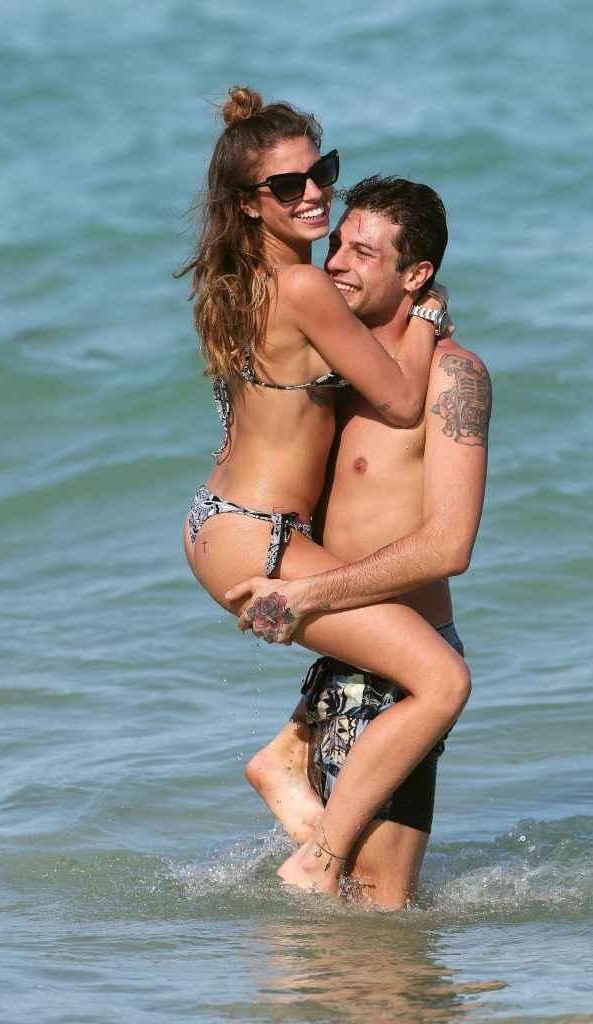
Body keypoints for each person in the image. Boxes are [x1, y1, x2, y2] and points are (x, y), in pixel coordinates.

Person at [179, 85, 471, 896]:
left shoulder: (245, 282)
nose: (313, 194)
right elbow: (402, 400)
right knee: (442, 680)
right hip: (259, 534)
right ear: (248, 204)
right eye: (287, 185)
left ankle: (287, 752)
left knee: (389, 640)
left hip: (218, 520)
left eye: (322, 172)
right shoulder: (305, 290)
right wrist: (428, 316)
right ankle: (320, 859)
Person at [233, 175, 491, 909]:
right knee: (370, 914)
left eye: (363, 253)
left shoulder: (452, 376)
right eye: (338, 245)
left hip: (403, 674)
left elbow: (447, 546)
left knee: (372, 910)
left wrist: (307, 594)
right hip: (347, 663)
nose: (337, 263)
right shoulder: (327, 374)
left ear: (415, 275)